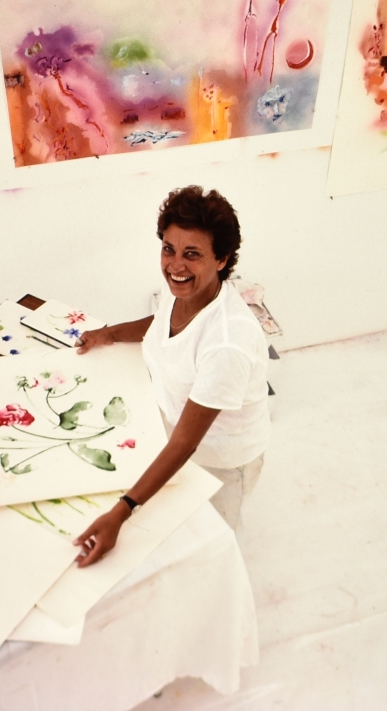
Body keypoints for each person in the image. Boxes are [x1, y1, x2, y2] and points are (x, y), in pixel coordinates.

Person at [73, 185, 270, 567]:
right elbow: (160, 320)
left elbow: (185, 444)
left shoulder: (227, 342)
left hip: (223, 461)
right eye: (169, 249)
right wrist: (110, 334)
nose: (175, 266)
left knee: (215, 546)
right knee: (178, 530)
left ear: (221, 259)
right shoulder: (185, 294)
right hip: (178, 434)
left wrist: (123, 510)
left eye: (192, 254)